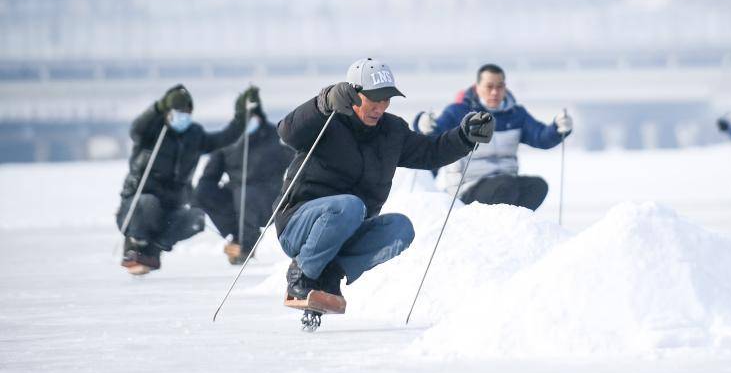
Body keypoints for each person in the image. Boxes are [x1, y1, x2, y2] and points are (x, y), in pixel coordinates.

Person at [275, 57, 494, 306]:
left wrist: (464, 137)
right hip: (299, 225)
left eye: (386, 99)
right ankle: (301, 273)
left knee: (400, 228)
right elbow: (287, 132)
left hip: (348, 227)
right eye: (374, 99)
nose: (380, 107)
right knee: (351, 205)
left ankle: (331, 273)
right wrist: (324, 101)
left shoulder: (392, 132)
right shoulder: (328, 119)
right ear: (354, 94)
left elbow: (431, 152)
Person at [116, 84, 258, 274]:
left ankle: (154, 250)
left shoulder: (195, 135)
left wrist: (241, 116)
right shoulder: (153, 130)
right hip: (136, 205)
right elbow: (136, 130)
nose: (182, 117)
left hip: (171, 206)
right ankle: (135, 244)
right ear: (167, 112)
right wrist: (158, 106)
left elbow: (224, 138)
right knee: (148, 204)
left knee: (196, 219)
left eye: (186, 112)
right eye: (177, 111)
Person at [413, 63, 571, 210]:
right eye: (489, 87)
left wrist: (558, 128)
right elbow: (434, 135)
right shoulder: (458, 112)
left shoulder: (517, 115)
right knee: (504, 186)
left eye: (499, 86)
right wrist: (423, 125)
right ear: (477, 88)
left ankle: (515, 227)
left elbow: (540, 137)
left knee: (537, 186)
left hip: (506, 185)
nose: (494, 92)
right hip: (468, 188)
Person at [192, 90, 294, 264]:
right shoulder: (227, 139)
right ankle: (238, 236)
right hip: (235, 198)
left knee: (246, 194)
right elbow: (209, 176)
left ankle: (246, 246)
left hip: (267, 200)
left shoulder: (277, 137)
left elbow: (297, 163)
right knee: (203, 192)